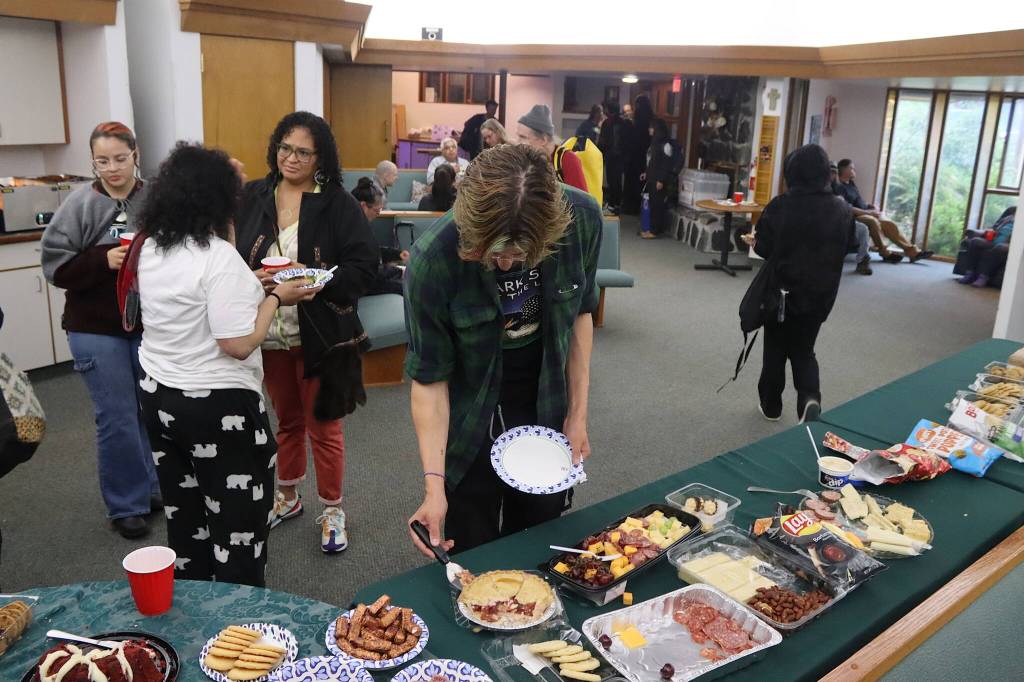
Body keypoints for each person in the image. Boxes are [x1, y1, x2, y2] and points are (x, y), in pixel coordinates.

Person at [134, 143, 318, 586]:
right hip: (216, 409)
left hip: (159, 396)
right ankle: (238, 625)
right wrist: (277, 296)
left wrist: (248, 284)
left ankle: (194, 606)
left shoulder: (152, 247)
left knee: (187, 514)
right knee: (239, 525)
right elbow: (237, 343)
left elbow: (195, 306)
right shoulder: (217, 256)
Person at [404, 144, 602, 557]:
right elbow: (430, 380)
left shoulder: (582, 220)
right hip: (469, 412)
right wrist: (433, 485)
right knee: (472, 552)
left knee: (539, 544)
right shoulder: (432, 260)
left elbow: (581, 315)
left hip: (543, 401)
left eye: (521, 253)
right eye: (495, 253)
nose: (509, 265)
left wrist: (577, 415)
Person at [234, 111, 379, 554]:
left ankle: (332, 508)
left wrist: (317, 280)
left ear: (320, 157)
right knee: (287, 421)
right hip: (269, 329)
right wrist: (250, 277)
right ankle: (288, 496)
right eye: (284, 147)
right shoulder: (255, 194)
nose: (290, 158)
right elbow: (230, 255)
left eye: (302, 151)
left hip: (321, 332)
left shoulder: (336, 202)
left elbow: (363, 267)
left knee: (324, 425)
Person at [40, 121, 161, 539]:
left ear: (136, 154)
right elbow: (55, 267)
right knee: (117, 416)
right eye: (102, 161)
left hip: (148, 323)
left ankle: (151, 487)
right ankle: (126, 504)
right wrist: (102, 261)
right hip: (95, 327)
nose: (112, 168)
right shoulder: (79, 205)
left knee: (150, 411)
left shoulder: (155, 199)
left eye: (120, 159)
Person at [750, 144, 855, 424]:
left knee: (775, 348)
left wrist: (753, 241)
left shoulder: (781, 205)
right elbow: (851, 246)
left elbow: (763, 247)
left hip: (781, 293)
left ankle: (771, 406)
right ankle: (809, 398)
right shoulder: (842, 208)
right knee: (804, 349)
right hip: (821, 294)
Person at [834, 159, 933, 263]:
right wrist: (868, 213)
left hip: (865, 212)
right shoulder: (838, 187)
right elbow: (847, 207)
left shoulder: (851, 184)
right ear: (844, 169)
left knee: (888, 223)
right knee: (873, 221)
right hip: (854, 216)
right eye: (852, 168)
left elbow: (858, 201)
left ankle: (913, 252)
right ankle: (885, 253)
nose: (855, 170)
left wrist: (871, 206)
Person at [516, 104, 588, 193]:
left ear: (543, 140)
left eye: (523, 137)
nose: (517, 142)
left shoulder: (567, 160)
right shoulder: (525, 158)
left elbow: (582, 204)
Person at [643, 118, 683, 238]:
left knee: (657, 204)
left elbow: (666, 164)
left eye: (651, 127)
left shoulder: (665, 145)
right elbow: (652, 161)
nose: (649, 129)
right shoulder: (654, 143)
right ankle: (653, 228)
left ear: (656, 129)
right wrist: (646, 173)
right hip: (652, 177)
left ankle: (654, 230)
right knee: (653, 203)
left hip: (658, 179)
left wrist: (661, 179)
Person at [830, 162, 872, 275]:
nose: (832, 175)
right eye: (830, 172)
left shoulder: (839, 187)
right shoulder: (817, 187)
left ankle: (862, 260)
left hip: (842, 219)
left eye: (834, 172)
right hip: (824, 220)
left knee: (863, 229)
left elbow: (847, 206)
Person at [957, 207, 1015, 288]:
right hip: (994, 240)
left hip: (1010, 244)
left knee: (1000, 247)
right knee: (975, 241)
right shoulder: (1009, 217)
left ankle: (983, 277)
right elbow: (994, 227)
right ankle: (970, 274)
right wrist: (990, 232)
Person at [598, 101, 631, 214]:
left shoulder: (607, 123)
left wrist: (599, 155)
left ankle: (612, 204)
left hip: (610, 156)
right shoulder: (624, 123)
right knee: (617, 180)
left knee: (612, 181)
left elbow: (602, 142)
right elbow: (627, 141)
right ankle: (616, 203)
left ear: (609, 110)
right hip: (621, 156)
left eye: (606, 109)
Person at [623, 95, 654, 214]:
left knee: (631, 180)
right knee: (642, 181)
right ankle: (641, 207)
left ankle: (630, 206)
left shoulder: (635, 121)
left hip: (633, 156)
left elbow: (631, 139)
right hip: (645, 155)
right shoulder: (650, 120)